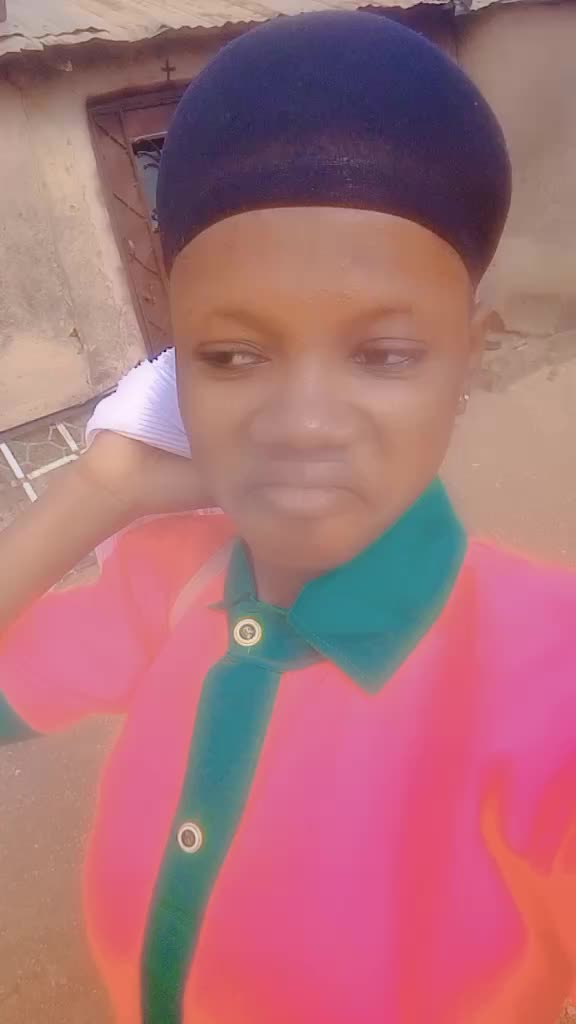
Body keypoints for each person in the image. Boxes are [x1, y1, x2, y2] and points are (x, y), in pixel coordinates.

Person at [1, 12, 575, 1024]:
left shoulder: (549, 678)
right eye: (233, 356)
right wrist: (104, 490)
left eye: (383, 354)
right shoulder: (168, 583)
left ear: (470, 357)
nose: (305, 423)